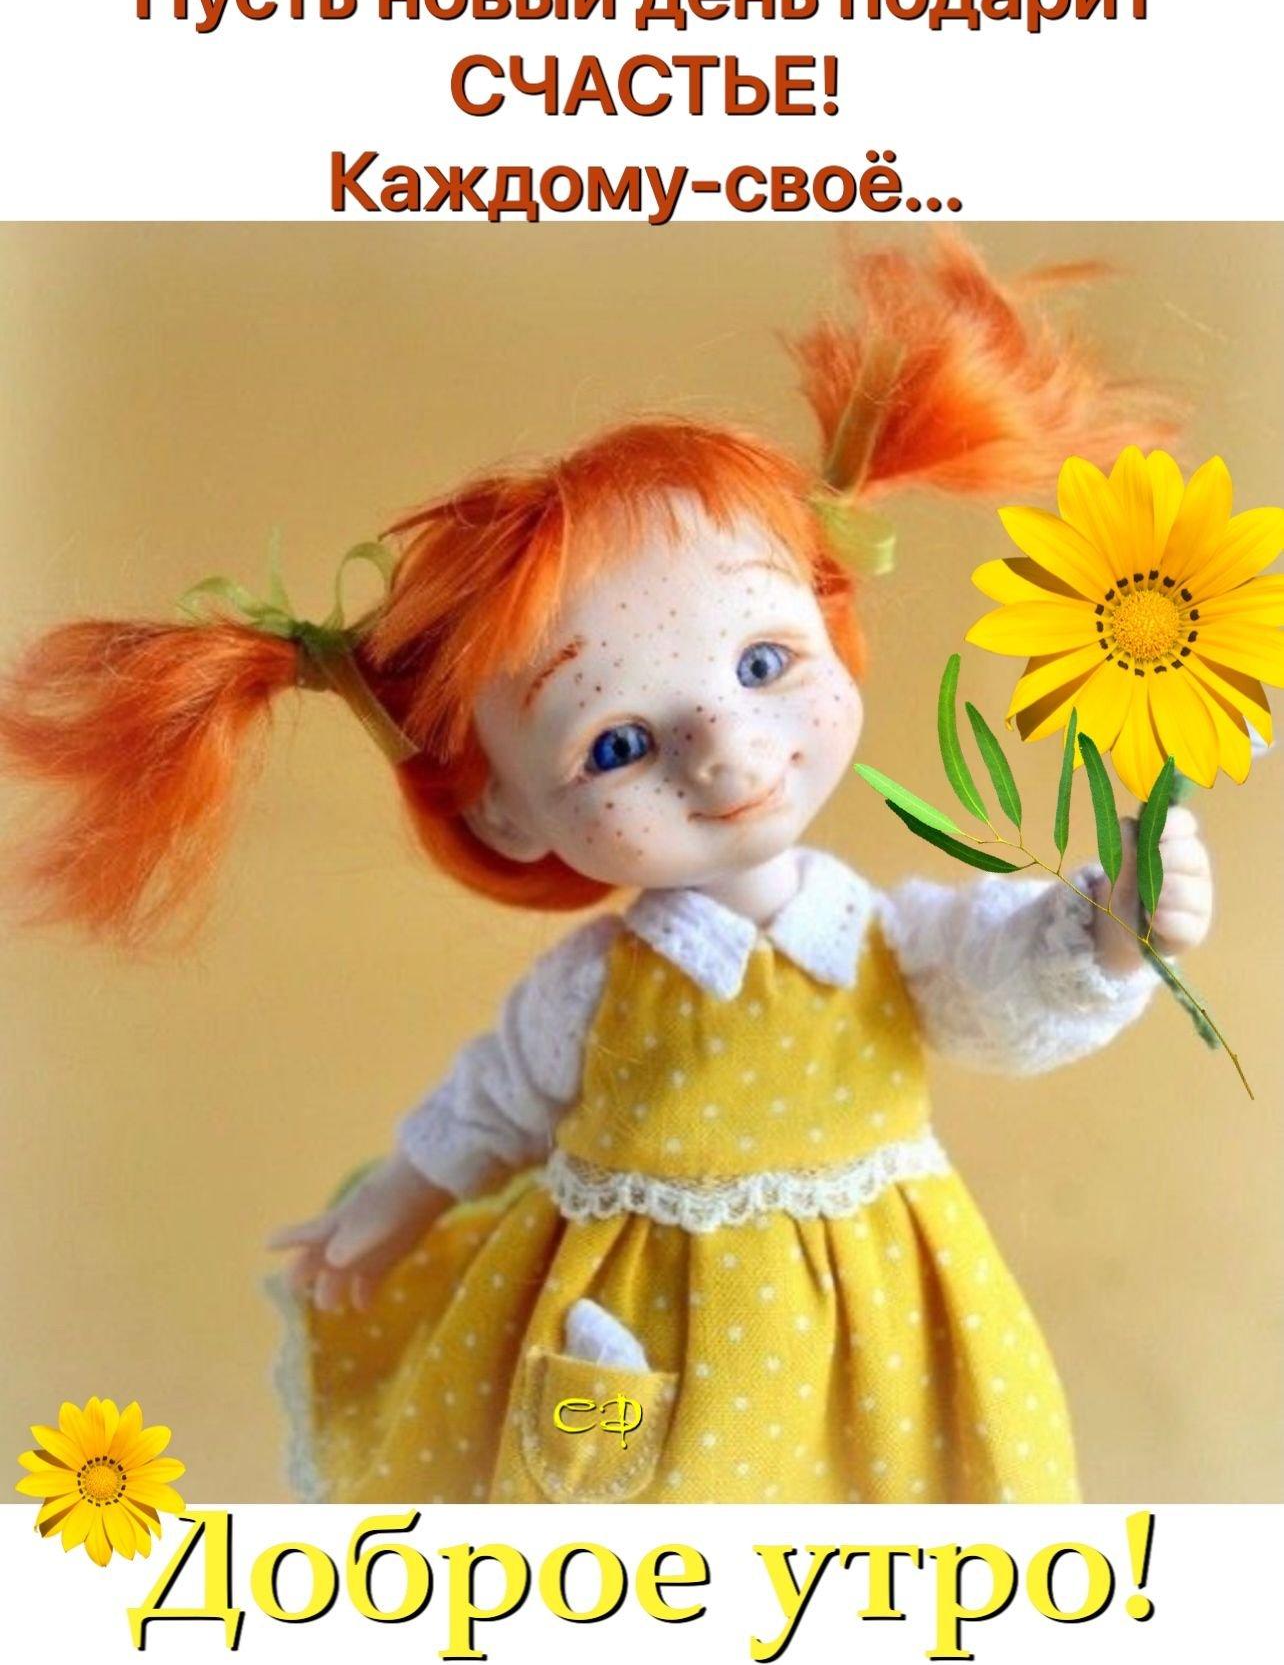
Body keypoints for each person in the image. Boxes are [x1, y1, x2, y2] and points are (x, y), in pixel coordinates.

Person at [0, 238, 1211, 1503]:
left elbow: (998, 982)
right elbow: (496, 1098)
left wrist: (1110, 932)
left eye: (762, 664)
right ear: (509, 812)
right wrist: (401, 1198)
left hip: (881, 1339)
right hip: (644, 1339)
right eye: (617, 745)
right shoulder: (599, 986)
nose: (724, 748)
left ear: (829, 621)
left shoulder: (882, 939)